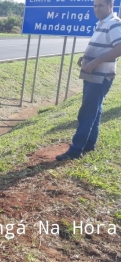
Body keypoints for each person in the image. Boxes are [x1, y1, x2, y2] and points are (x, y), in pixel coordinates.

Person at [56, 0, 121, 161]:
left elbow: (119, 47)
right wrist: (85, 58)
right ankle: (89, 145)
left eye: (101, 5)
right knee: (95, 111)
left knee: (86, 113)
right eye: (95, 5)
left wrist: (95, 61)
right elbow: (102, 46)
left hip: (100, 77)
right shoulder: (102, 23)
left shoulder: (113, 23)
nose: (97, 8)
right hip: (93, 75)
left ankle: (75, 150)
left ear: (110, 6)